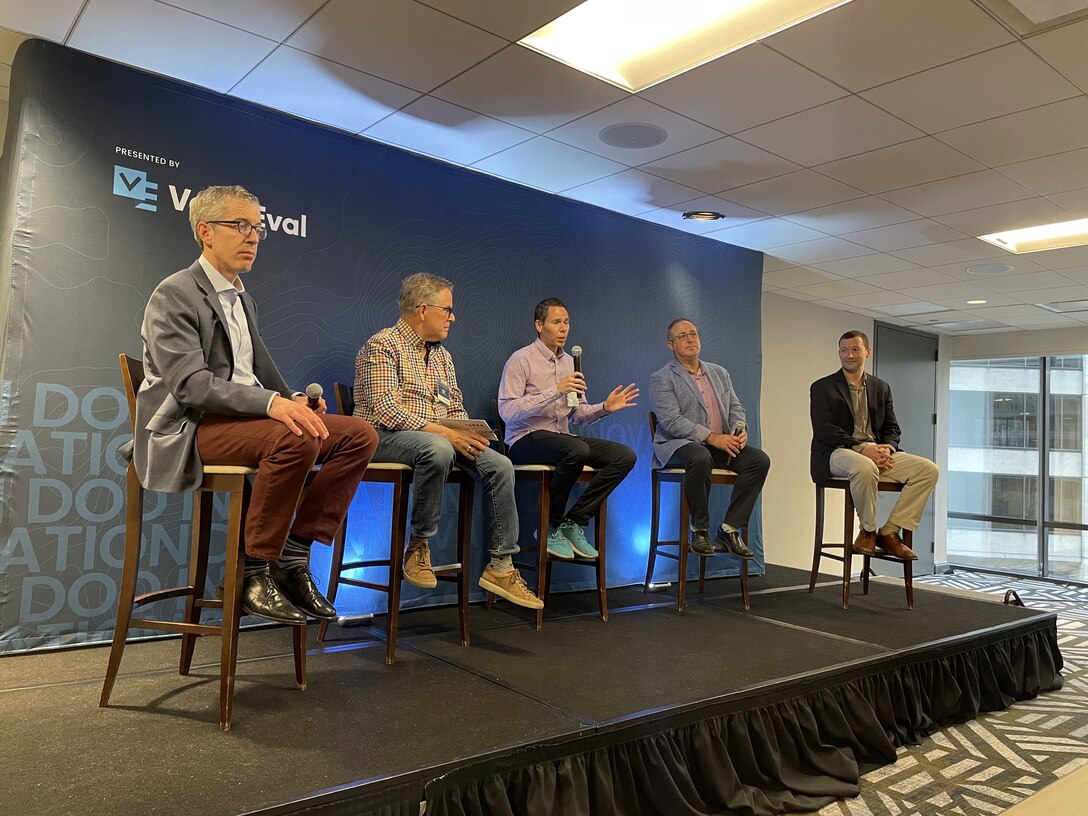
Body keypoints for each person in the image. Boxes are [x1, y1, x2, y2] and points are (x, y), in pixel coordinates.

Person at [125, 185, 378, 625]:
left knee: (360, 435)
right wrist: (273, 406)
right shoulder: (175, 293)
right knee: (293, 439)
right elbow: (190, 385)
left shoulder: (243, 298)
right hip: (191, 425)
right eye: (239, 226)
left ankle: (293, 558)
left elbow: (258, 368)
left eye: (257, 227)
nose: (253, 236)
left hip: (240, 420)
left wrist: (293, 399)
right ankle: (252, 572)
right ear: (205, 231)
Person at [355, 272, 543, 609]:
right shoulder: (382, 345)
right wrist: (446, 433)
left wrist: (468, 431)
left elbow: (453, 406)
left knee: (499, 463)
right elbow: (385, 409)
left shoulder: (442, 356)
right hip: (383, 437)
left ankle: (501, 565)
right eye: (448, 310)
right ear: (423, 309)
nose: (453, 318)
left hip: (438, 440)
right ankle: (418, 546)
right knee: (439, 447)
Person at [497, 298, 638, 559]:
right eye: (556, 322)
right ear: (539, 325)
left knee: (624, 456)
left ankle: (574, 521)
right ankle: (550, 526)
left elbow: (578, 414)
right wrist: (554, 390)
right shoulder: (521, 360)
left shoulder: (569, 363)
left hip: (562, 439)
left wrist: (605, 407)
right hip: (525, 440)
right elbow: (508, 412)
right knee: (576, 449)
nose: (563, 328)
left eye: (566, 322)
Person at [810, 330, 939, 560]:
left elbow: (893, 429)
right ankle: (868, 530)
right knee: (864, 467)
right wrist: (862, 449)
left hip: (876, 452)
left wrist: (886, 448)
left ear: (867, 352)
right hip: (837, 452)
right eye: (844, 350)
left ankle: (889, 532)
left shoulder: (881, 387)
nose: (849, 355)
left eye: (855, 349)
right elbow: (824, 430)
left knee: (928, 470)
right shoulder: (822, 387)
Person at [649, 319, 770, 557]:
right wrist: (712, 438)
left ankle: (730, 528)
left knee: (759, 460)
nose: (690, 339)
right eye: (682, 336)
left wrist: (738, 429)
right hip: (679, 446)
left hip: (719, 445)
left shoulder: (719, 373)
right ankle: (700, 528)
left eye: (693, 334)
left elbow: (736, 408)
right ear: (670, 345)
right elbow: (672, 421)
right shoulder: (662, 378)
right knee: (700, 455)